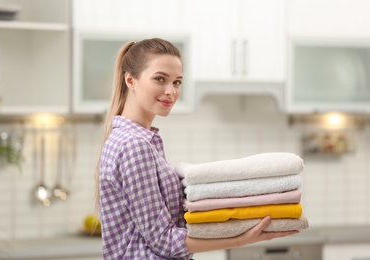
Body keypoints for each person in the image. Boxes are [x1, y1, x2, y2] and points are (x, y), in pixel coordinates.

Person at [94, 38, 299, 259]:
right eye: (160, 79)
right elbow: (164, 240)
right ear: (130, 80)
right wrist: (242, 238)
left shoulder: (132, 139)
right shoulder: (135, 145)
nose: (170, 91)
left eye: (177, 82)